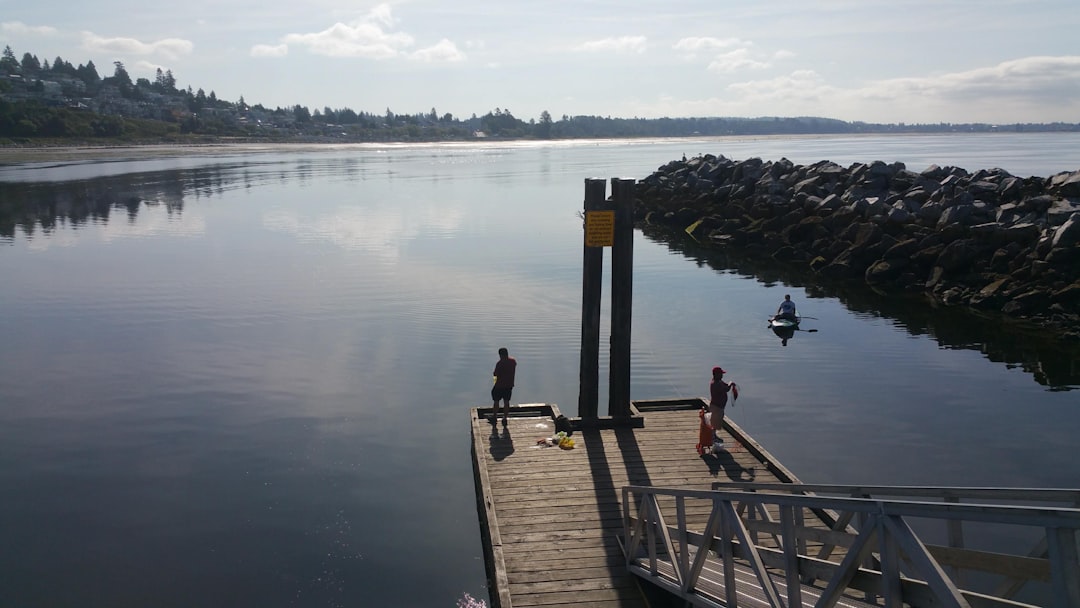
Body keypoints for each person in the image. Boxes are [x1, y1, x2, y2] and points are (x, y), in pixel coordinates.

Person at [708, 366, 738, 450]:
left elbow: (725, 385)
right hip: (716, 407)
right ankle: (712, 437)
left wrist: (730, 384)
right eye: (720, 374)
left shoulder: (719, 381)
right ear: (716, 374)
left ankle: (713, 436)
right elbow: (726, 389)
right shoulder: (715, 384)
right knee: (714, 423)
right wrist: (730, 384)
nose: (722, 375)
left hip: (719, 407)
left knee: (716, 423)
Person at [491, 347, 517, 425]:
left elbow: (495, 374)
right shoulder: (513, 361)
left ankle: (494, 417)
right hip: (509, 385)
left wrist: (494, 382)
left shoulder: (500, 363)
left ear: (500, 355)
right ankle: (505, 418)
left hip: (499, 385)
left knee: (496, 401)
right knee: (506, 401)